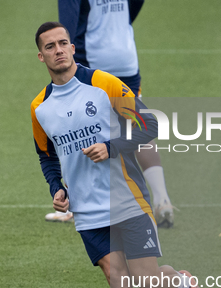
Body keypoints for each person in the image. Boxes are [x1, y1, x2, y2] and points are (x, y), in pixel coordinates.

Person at [31, 22, 212, 288]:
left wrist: (112, 147)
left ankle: (183, 282)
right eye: (50, 46)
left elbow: (149, 126)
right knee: (117, 279)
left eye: (64, 43)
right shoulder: (40, 107)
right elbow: (46, 156)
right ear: (41, 56)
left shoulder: (104, 84)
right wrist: (57, 188)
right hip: (86, 212)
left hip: (127, 199)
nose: (59, 50)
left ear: (72, 47)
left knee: (146, 278)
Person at [43, 0, 175, 227]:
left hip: (93, 60)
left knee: (83, 129)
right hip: (125, 57)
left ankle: (79, 204)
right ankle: (162, 198)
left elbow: (65, 27)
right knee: (137, 124)